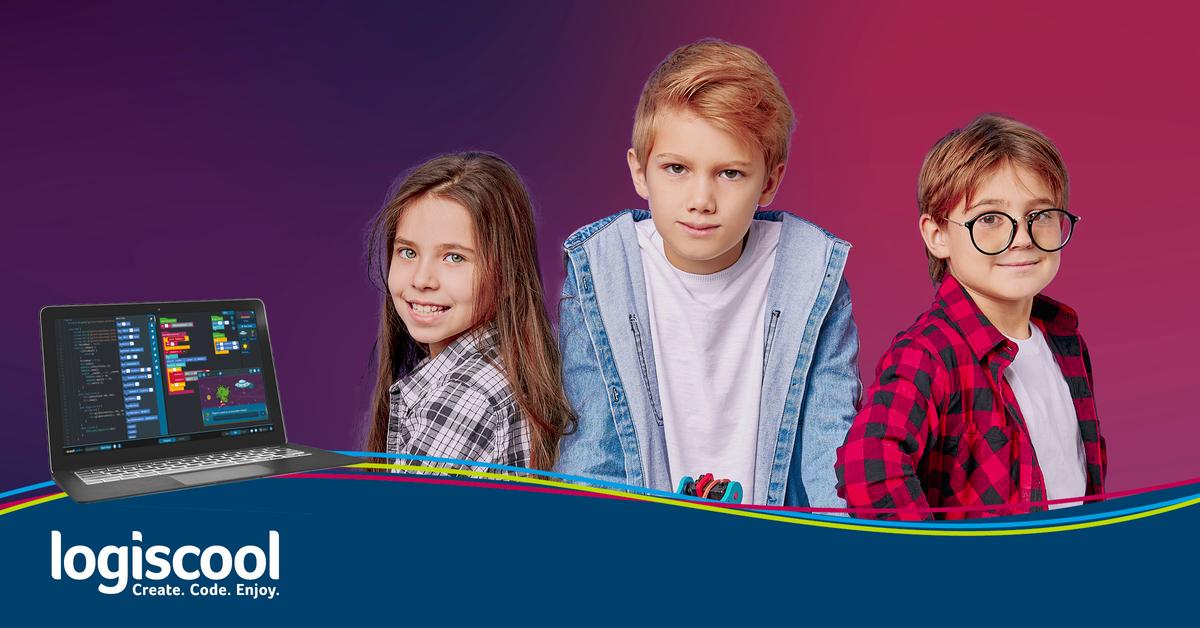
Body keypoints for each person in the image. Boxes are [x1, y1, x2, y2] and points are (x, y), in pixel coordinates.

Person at [555, 39, 861, 507]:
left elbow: (828, 453)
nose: (701, 199)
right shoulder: (601, 270)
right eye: (676, 168)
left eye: (730, 173)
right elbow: (592, 453)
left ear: (770, 181)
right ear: (640, 172)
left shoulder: (813, 273)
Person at [836, 114, 1107, 520]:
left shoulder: (1067, 345)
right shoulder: (927, 353)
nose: (1021, 238)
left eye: (1041, 215)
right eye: (990, 219)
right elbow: (867, 465)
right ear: (937, 235)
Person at [363, 152, 575, 472]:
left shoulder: (465, 397)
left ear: (506, 277)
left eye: (454, 258)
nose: (421, 279)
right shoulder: (511, 367)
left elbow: (395, 522)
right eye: (408, 252)